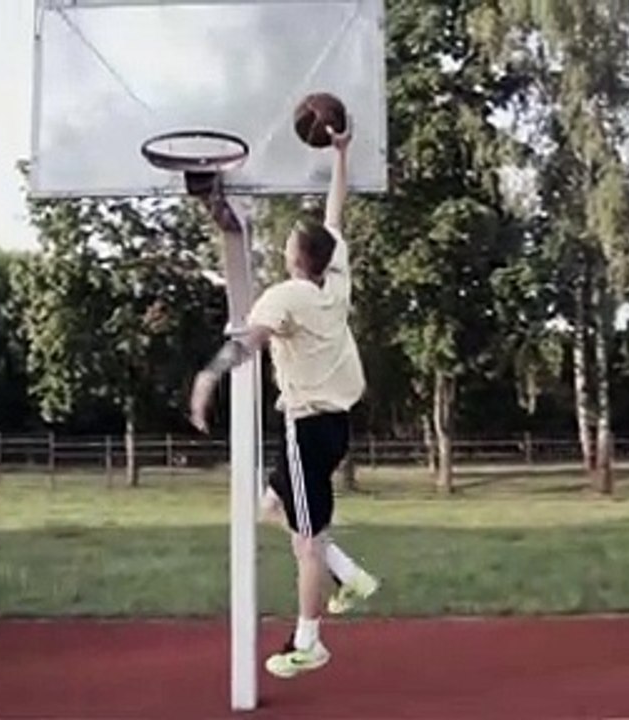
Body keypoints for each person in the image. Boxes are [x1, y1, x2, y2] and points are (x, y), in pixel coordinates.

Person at [188, 121, 379, 679]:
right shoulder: (334, 279)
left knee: (306, 542)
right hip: (335, 426)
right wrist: (341, 155)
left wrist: (208, 378)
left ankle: (309, 642)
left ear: (297, 257)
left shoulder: (285, 296)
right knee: (273, 507)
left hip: (306, 429)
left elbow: (247, 343)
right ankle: (351, 576)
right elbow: (335, 216)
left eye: (292, 241)